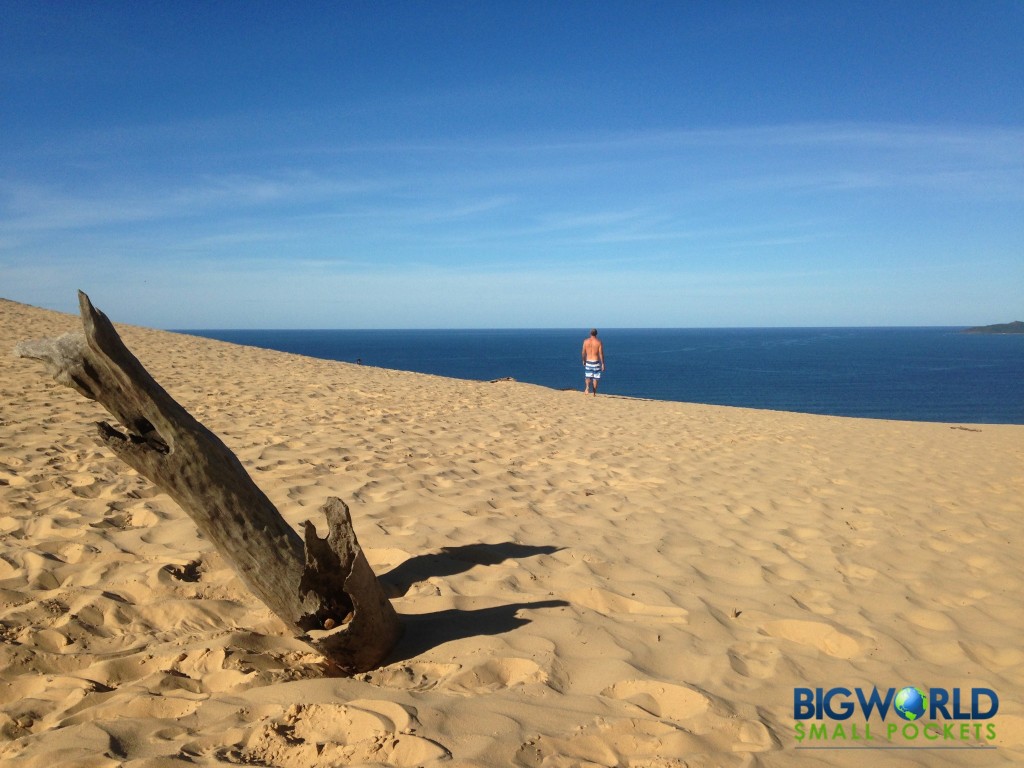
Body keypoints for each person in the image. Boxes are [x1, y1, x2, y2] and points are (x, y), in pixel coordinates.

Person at [582, 328, 605, 395]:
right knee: (595, 378)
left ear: (590, 333)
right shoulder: (599, 342)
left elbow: (583, 352)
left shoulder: (585, 341)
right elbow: (601, 354)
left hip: (588, 361)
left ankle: (587, 387)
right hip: (596, 361)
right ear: (596, 334)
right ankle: (594, 392)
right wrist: (603, 363)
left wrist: (583, 360)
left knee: (588, 376)